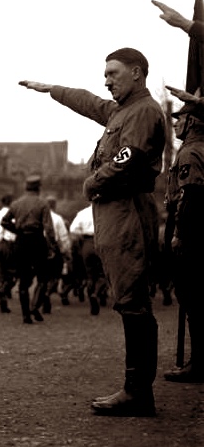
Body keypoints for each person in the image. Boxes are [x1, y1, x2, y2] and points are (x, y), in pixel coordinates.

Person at [20, 46, 165, 417]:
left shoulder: (144, 111)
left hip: (127, 208)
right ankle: (136, 390)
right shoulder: (121, 110)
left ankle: (137, 392)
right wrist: (52, 89)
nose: (107, 81)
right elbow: (89, 103)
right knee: (127, 298)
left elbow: (128, 157)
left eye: (113, 73)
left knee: (132, 300)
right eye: (105, 75)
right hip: (114, 210)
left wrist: (91, 183)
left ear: (137, 72)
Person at [159, 88, 204, 383]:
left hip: (192, 232)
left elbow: (191, 195)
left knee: (193, 300)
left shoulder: (191, 150)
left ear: (191, 122)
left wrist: (180, 234)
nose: (175, 123)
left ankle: (198, 364)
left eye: (180, 119)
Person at [0, 175, 57, 325]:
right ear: (38, 188)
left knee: (23, 280)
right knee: (43, 278)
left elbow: (4, 222)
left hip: (21, 242)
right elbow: (49, 228)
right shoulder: (43, 203)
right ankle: (34, 306)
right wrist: (52, 246)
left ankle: (26, 315)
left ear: (26, 188)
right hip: (37, 241)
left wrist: (17, 230)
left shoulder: (16, 204)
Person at [70, 205, 108, 315]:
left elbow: (73, 229)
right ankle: (96, 293)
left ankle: (92, 302)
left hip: (87, 244)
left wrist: (82, 237)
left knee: (90, 275)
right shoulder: (106, 212)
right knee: (103, 274)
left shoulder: (82, 213)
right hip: (102, 242)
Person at [42, 195, 72, 314]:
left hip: (40, 248)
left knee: (42, 276)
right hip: (53, 248)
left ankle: (43, 293)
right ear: (54, 206)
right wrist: (66, 251)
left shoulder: (40, 216)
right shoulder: (58, 218)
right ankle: (47, 293)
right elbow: (63, 237)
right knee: (56, 274)